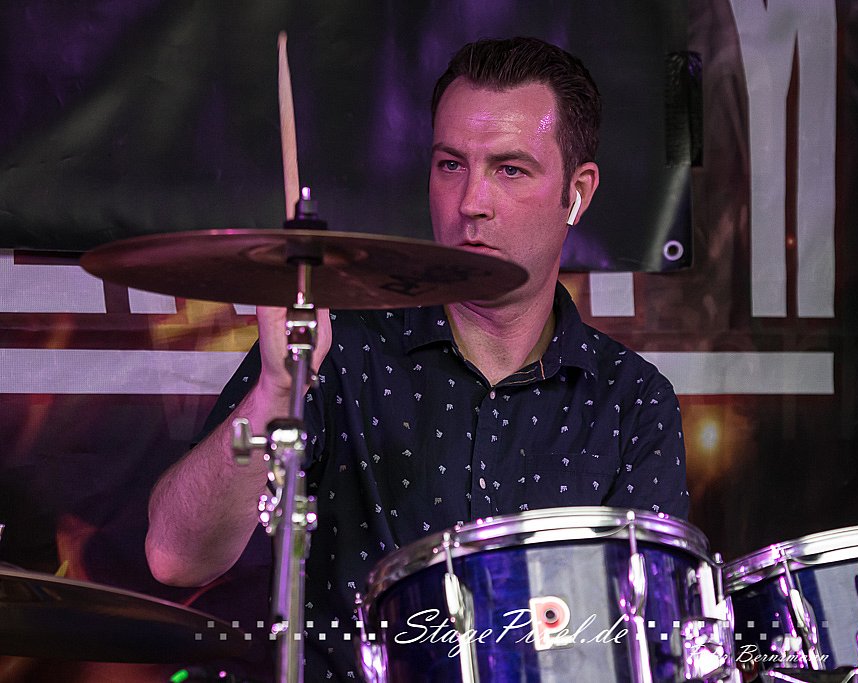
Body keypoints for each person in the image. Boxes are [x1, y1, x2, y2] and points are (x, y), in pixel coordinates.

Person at [146, 36, 689, 680]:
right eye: (451, 165)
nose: (470, 202)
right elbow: (175, 558)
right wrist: (274, 390)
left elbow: (649, 646)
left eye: (510, 170)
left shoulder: (632, 402)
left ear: (577, 192)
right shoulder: (341, 349)